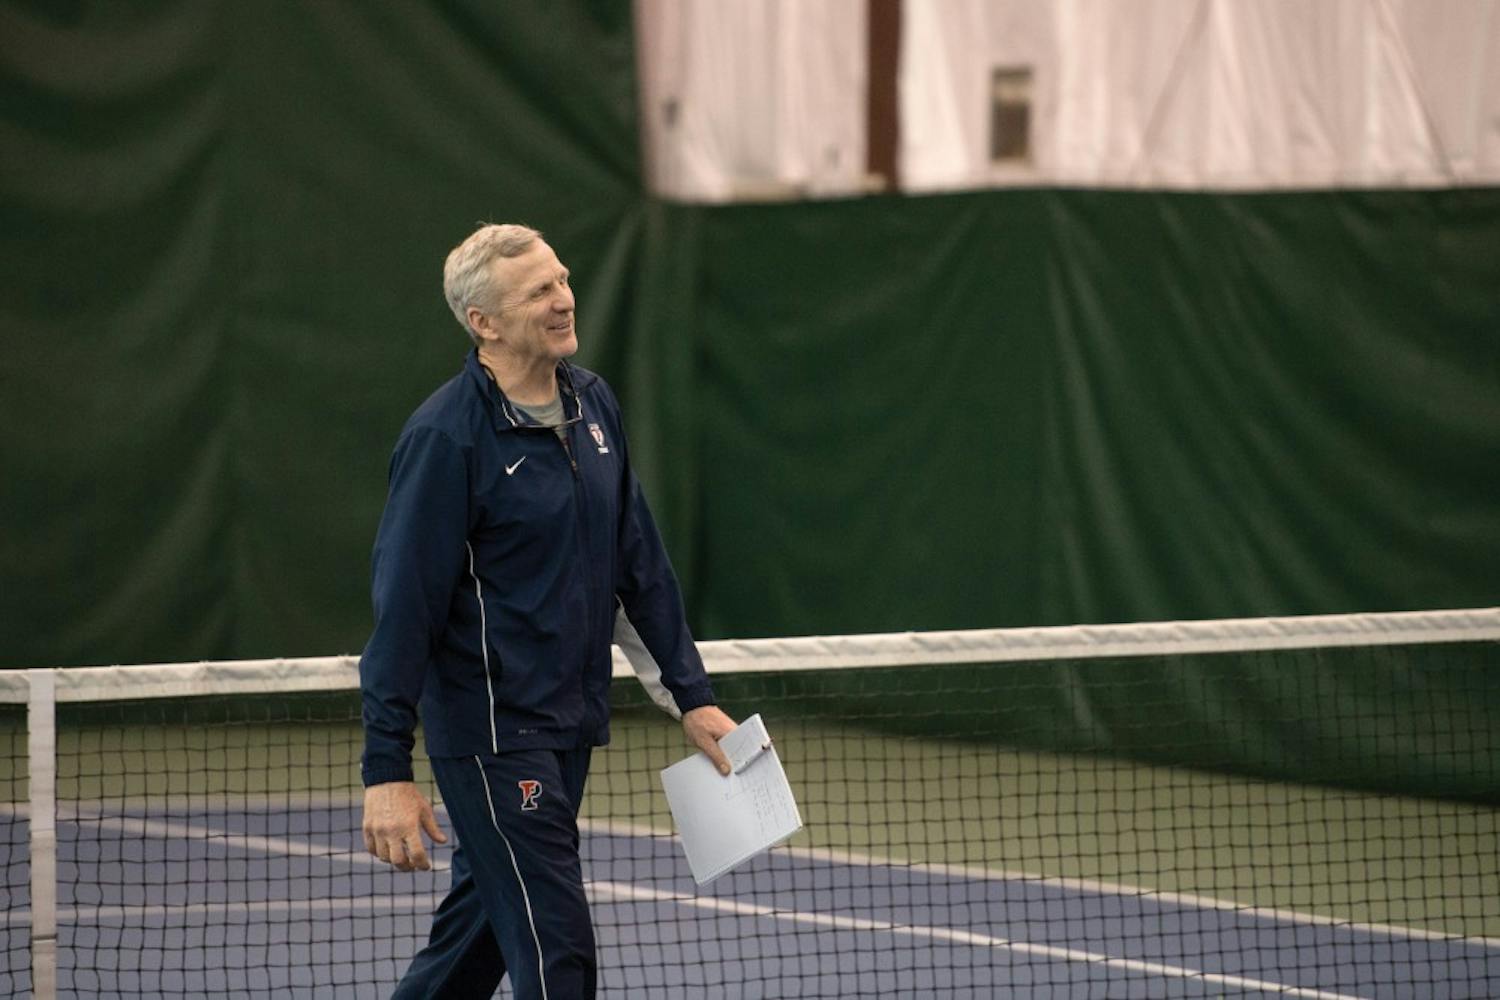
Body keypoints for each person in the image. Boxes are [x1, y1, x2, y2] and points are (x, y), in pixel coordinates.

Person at [358, 223, 737, 999]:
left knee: (481, 934)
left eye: (562, 280)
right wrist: (385, 768)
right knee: (554, 945)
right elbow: (405, 610)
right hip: (494, 734)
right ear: (484, 323)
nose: (564, 299)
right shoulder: (445, 438)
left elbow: (637, 561)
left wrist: (692, 698)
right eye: (539, 291)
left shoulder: (593, 403)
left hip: (570, 719)